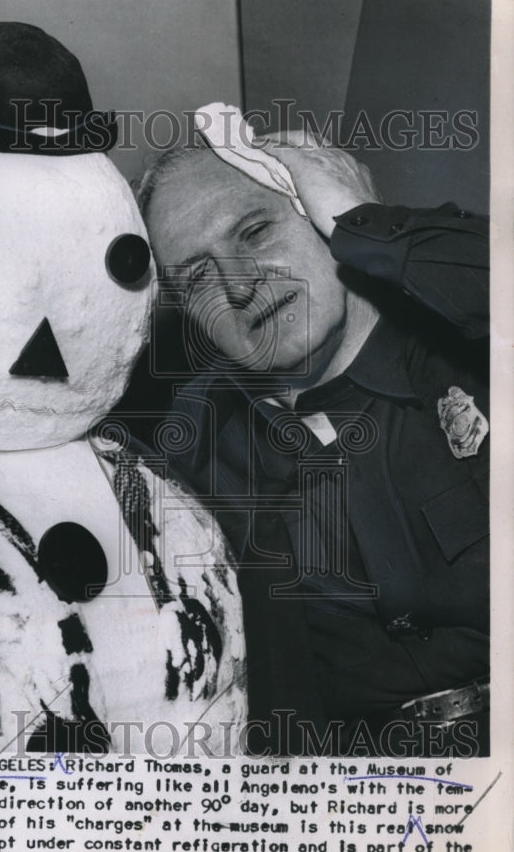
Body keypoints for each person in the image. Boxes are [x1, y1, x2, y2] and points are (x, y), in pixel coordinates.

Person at [136, 128, 489, 757]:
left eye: (254, 232)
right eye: (197, 277)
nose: (239, 285)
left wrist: (372, 225)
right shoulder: (192, 444)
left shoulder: (466, 346)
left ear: (321, 217)